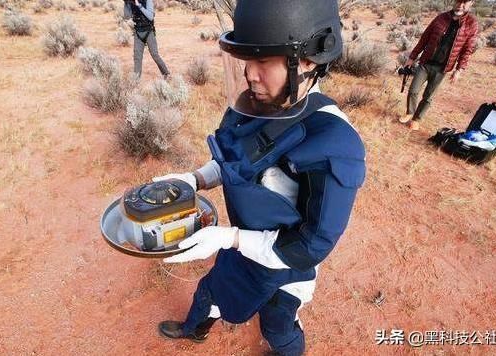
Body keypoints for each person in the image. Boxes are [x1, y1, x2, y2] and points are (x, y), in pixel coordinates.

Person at [153, 1, 366, 355]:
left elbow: (308, 247)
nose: (250, 74)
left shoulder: (333, 143)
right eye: (246, 60)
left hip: (284, 266)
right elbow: (236, 160)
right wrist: (195, 180)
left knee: (278, 324)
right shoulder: (254, 103)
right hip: (242, 246)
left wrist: (232, 237)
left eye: (264, 60)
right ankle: (195, 329)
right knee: (210, 291)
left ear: (309, 60)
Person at [400, 0, 479, 131]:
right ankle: (410, 112)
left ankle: (416, 119)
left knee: (428, 96)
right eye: (458, 1)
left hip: (443, 68)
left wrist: (459, 69)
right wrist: (412, 57)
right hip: (426, 62)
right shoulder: (441, 18)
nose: (460, 5)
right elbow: (424, 38)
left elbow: (467, 49)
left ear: (471, 3)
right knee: (413, 90)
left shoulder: (472, 23)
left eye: (465, 2)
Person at [123, 0, 170, 79]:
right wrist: (126, 3)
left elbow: (150, 17)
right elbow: (127, 16)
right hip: (138, 33)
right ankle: (136, 79)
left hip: (149, 32)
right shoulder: (132, 3)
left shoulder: (148, 1)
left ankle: (166, 73)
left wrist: (139, 6)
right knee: (137, 56)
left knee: (155, 54)